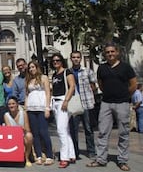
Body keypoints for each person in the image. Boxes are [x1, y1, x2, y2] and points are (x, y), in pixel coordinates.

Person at [87, 42, 137, 172]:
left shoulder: (126, 68)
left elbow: (133, 85)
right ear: (105, 54)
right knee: (103, 132)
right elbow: (101, 84)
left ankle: (122, 160)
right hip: (106, 103)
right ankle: (101, 159)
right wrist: (109, 93)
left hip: (122, 103)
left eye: (112, 52)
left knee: (124, 132)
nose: (110, 54)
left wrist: (124, 95)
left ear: (117, 52)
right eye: (107, 52)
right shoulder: (102, 68)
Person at [68, 51, 97, 159]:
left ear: (80, 59)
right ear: (71, 59)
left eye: (78, 57)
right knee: (73, 129)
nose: (76, 59)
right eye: (74, 57)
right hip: (74, 104)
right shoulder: (68, 72)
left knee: (88, 129)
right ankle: (75, 152)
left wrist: (91, 96)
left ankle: (91, 151)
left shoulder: (87, 71)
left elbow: (94, 86)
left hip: (86, 103)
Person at [25, 60, 54, 166]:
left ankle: (49, 155)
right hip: (31, 109)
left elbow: (48, 93)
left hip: (42, 108)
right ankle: (38, 155)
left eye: (33, 67)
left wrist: (47, 108)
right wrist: (26, 108)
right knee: (35, 134)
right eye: (30, 68)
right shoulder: (28, 80)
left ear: (37, 67)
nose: (31, 69)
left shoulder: (44, 78)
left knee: (44, 132)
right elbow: (27, 95)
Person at [51, 53, 76, 168]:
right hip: (55, 102)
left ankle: (64, 157)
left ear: (62, 61)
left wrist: (66, 100)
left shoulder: (67, 72)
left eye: (58, 60)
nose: (55, 62)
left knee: (61, 129)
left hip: (63, 101)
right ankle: (71, 154)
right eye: (54, 60)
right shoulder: (54, 75)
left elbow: (72, 86)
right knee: (65, 129)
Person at [4, 96, 33, 167]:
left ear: (17, 104)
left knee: (29, 136)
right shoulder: (6, 115)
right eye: (9, 104)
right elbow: (9, 130)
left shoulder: (23, 113)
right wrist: (18, 129)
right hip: (12, 137)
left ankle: (27, 158)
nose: (11, 105)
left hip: (23, 135)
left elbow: (28, 129)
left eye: (13, 103)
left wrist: (22, 129)